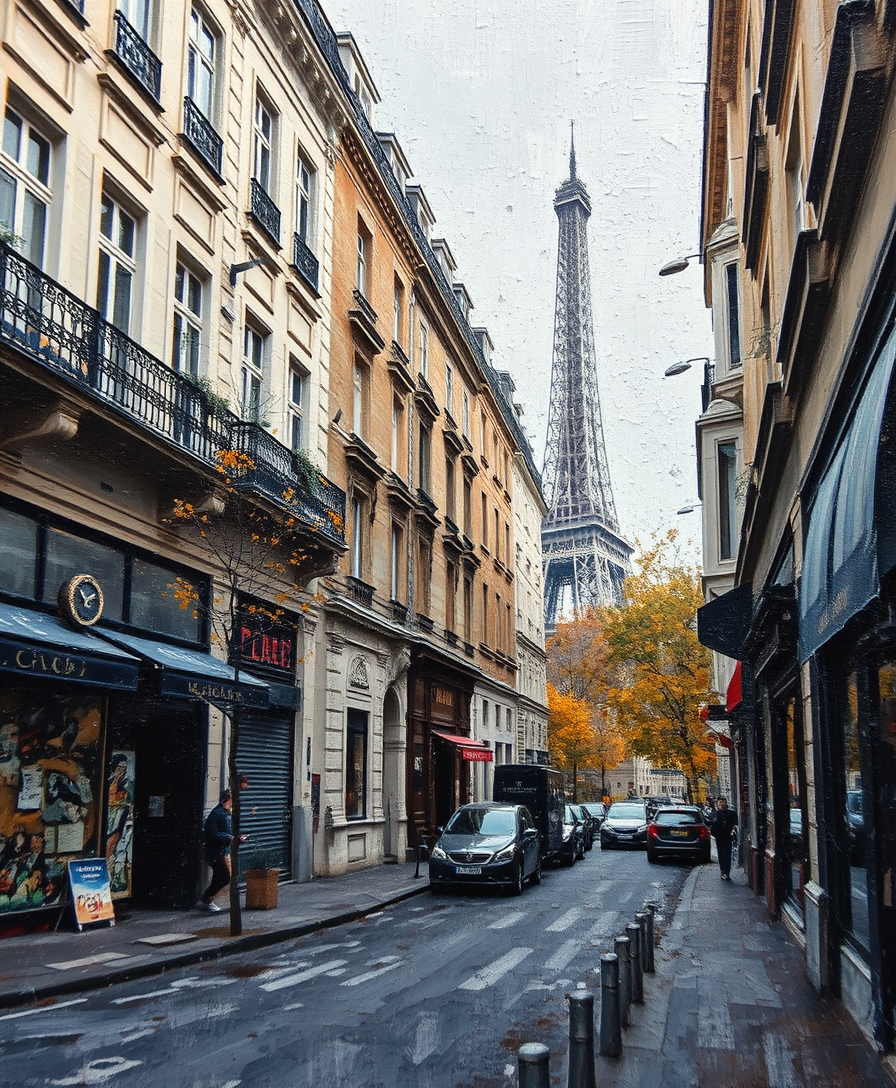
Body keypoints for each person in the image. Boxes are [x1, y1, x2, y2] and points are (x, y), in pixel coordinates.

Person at [197, 789, 244, 912]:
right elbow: (214, 834)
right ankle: (205, 900)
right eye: (232, 801)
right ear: (227, 801)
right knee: (224, 877)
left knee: (220, 877)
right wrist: (231, 838)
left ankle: (206, 901)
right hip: (215, 851)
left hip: (217, 851)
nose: (233, 804)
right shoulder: (219, 814)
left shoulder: (222, 813)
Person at [711, 797, 738, 880]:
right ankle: (723, 872)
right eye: (720, 803)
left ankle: (727, 872)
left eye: (723, 803)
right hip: (719, 837)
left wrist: (732, 832)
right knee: (721, 855)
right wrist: (715, 834)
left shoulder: (732, 813)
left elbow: (735, 825)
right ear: (717, 805)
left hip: (728, 836)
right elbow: (712, 824)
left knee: (727, 854)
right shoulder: (715, 814)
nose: (722, 805)